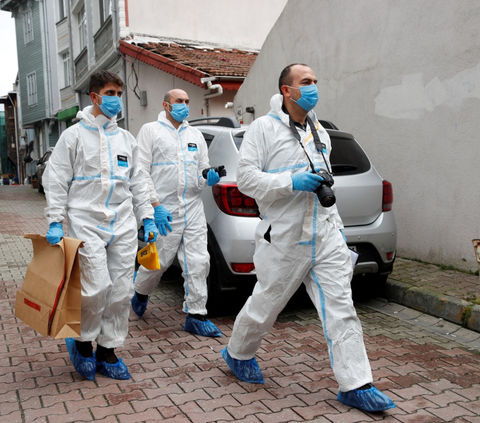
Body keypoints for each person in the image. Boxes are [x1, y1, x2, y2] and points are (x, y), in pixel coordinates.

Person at [221, 64, 396, 413]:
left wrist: (339, 230)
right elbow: (246, 180)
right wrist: (292, 181)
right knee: (266, 304)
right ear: (287, 90)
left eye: (316, 81)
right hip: (284, 238)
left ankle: (356, 384)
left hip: (325, 234)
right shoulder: (263, 129)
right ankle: (238, 352)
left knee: (341, 309)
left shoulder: (319, 131)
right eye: (306, 82)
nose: (313, 87)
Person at [43, 70, 159, 381]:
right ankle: (82, 342)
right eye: (110, 93)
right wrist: (55, 220)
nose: (116, 100)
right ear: (94, 97)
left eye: (119, 94)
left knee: (120, 290)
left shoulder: (126, 139)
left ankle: (108, 350)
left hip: (121, 223)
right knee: (95, 287)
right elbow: (56, 179)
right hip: (85, 220)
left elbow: (139, 181)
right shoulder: (73, 136)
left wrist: (147, 216)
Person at [130, 89, 223, 338]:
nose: (184, 105)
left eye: (187, 101)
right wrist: (155, 205)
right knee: (158, 262)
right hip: (165, 208)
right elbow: (140, 172)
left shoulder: (195, 135)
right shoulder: (151, 131)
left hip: (193, 207)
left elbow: (201, 168)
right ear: (166, 105)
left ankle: (196, 314)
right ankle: (140, 292)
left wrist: (208, 177)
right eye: (179, 101)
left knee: (199, 262)